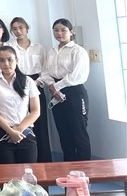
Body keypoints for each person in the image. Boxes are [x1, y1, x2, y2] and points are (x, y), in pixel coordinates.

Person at [38, 18, 91, 161]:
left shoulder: (78, 51)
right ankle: (69, 167)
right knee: (64, 134)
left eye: (63, 30)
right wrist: (51, 86)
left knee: (79, 133)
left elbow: (77, 75)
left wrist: (55, 88)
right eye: (56, 30)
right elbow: (46, 72)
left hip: (74, 92)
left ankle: (85, 170)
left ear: (71, 32)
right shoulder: (52, 51)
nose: (59, 33)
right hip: (55, 92)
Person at [0, 46, 40, 164]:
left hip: (25, 132)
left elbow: (35, 111)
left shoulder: (28, 81)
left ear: (17, 60)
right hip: (1, 133)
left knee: (27, 172)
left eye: (10, 59)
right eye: (2, 60)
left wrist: (17, 131)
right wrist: (10, 131)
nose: (6, 64)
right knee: (6, 174)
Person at [9, 17, 52, 162]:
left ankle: (44, 161)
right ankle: (25, 159)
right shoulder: (10, 47)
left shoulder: (38, 48)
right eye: (14, 29)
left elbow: (45, 70)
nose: (18, 31)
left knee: (40, 124)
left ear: (27, 28)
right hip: (17, 86)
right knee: (22, 123)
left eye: (21, 27)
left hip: (37, 84)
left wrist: (36, 82)